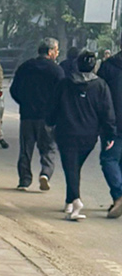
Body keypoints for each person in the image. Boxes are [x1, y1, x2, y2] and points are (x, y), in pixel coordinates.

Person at [49, 51, 116, 221]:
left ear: (77, 65)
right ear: (94, 66)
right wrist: (109, 135)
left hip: (66, 132)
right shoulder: (101, 86)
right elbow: (107, 113)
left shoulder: (64, 84)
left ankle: (76, 201)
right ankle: (69, 201)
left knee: (70, 166)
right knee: (74, 166)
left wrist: (49, 123)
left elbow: (53, 107)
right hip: (89, 135)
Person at [9, 38, 62, 190]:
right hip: (47, 118)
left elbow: (14, 90)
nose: (57, 53)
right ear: (50, 52)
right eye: (57, 50)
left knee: (26, 149)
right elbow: (62, 94)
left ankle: (24, 181)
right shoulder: (56, 70)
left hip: (27, 115)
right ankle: (45, 173)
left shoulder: (25, 67)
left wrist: (24, 103)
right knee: (49, 148)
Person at [98, 45, 122, 217]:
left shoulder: (109, 67)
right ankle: (117, 199)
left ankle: (119, 195)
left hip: (113, 123)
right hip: (113, 123)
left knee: (109, 159)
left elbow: (99, 95)